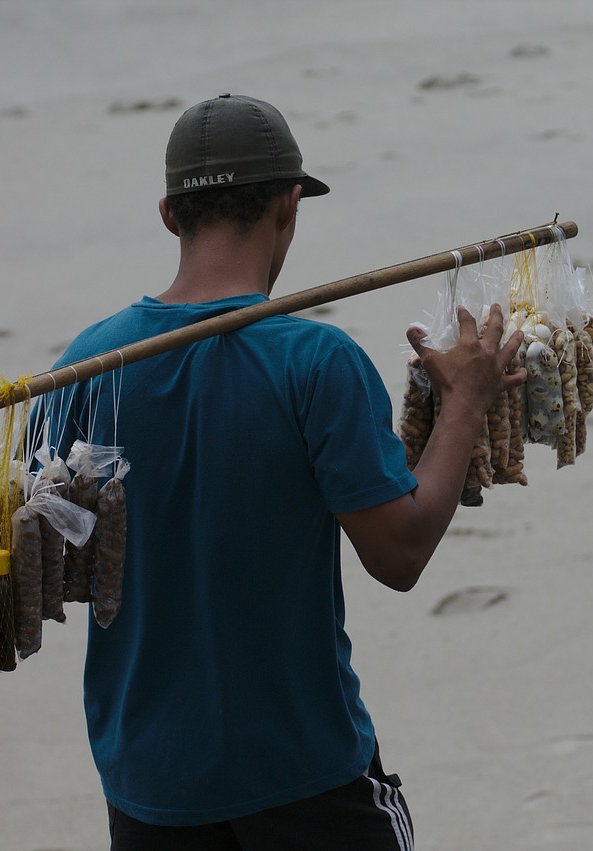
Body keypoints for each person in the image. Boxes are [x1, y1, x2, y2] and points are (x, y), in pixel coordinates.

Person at [46, 94, 525, 851]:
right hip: (307, 781)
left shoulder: (84, 367)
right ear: (289, 204)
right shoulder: (316, 362)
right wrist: (465, 402)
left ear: (170, 214)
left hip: (150, 786)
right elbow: (398, 554)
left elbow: (60, 558)